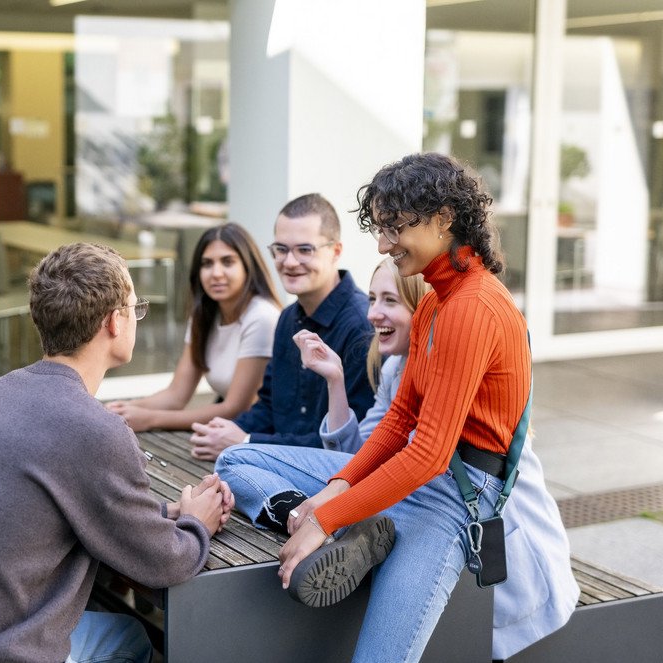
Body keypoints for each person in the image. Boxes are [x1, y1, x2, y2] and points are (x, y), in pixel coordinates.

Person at [276, 153, 577, 662]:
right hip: (422, 479)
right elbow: (399, 421)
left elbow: (430, 453)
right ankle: (361, 530)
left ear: (444, 219)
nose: (383, 244)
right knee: (238, 463)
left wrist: (326, 519)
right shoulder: (438, 300)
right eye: (380, 228)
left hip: (458, 496)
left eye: (394, 227)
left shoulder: (471, 306)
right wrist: (336, 490)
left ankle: (360, 531)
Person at [0, 242, 233, 663]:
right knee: (131, 640)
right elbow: (165, 562)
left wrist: (168, 513)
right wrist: (197, 524)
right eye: (135, 308)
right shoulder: (93, 428)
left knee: (123, 630)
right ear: (114, 321)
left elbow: (62, 506)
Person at [215, 257, 428, 531]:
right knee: (233, 464)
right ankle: (301, 518)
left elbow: (406, 464)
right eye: (372, 299)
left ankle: (317, 522)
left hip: (410, 497)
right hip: (369, 485)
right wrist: (334, 379)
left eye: (390, 300)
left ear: (422, 306)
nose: (373, 313)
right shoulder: (393, 368)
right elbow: (354, 455)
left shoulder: (428, 367)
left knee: (231, 459)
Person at [189, 193, 375, 460]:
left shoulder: (363, 325)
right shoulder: (287, 318)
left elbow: (350, 443)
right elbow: (268, 405)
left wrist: (246, 440)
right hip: (275, 463)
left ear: (335, 251)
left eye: (304, 250)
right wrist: (225, 431)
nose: (289, 262)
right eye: (281, 249)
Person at [107, 222, 281, 431]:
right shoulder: (205, 315)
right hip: (225, 428)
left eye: (227, 262)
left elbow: (236, 408)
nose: (216, 273)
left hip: (261, 432)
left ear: (248, 266)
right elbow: (176, 395)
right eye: (207, 264)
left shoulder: (262, 317)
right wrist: (124, 408)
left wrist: (150, 419)